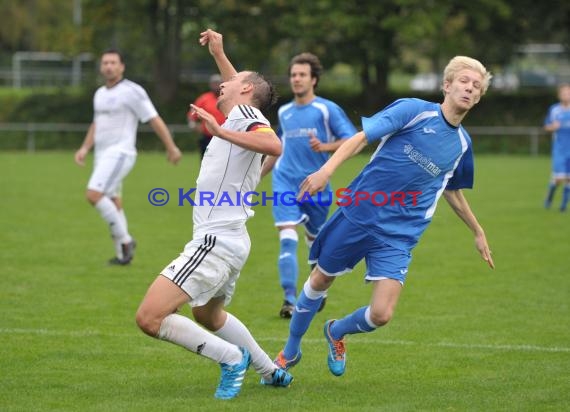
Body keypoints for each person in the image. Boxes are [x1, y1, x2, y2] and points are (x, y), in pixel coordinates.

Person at [273, 56, 495, 377]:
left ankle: (336, 331)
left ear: (478, 98)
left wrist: (477, 230)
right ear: (447, 85)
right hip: (360, 212)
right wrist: (326, 170)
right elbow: (361, 138)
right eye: (464, 81)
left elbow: (451, 189)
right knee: (320, 279)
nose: (469, 88)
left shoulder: (462, 144)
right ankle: (290, 350)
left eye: (476, 86)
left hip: (400, 233)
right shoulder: (413, 110)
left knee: (381, 314)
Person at [135, 29, 293, 400]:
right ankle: (269, 370)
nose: (223, 85)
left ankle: (229, 358)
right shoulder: (242, 114)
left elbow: (274, 144)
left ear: (247, 92)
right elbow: (238, 90)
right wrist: (220, 54)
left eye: (232, 82)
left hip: (215, 241)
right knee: (207, 316)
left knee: (149, 318)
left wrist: (219, 132)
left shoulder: (243, 118)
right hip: (232, 240)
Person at [261, 52, 357, 318]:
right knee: (287, 237)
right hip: (285, 183)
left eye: (302, 75)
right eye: (293, 75)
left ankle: (317, 290)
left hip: (316, 186)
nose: (297, 79)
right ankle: (290, 299)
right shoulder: (285, 111)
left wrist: (325, 146)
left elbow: (353, 140)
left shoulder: (326, 109)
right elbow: (277, 148)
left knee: (316, 244)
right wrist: (256, 177)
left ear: (313, 80)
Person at [74, 49, 182, 265]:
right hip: (102, 155)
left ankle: (126, 241)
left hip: (120, 152)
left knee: (93, 194)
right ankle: (123, 255)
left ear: (122, 66)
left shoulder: (132, 91)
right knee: (114, 201)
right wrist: (85, 148)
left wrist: (171, 147)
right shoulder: (99, 94)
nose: (108, 66)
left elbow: (153, 118)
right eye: (105, 62)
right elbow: (97, 124)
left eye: (113, 62)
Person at [543, 83, 570, 212]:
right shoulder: (554, 110)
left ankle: (563, 206)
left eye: (568, 92)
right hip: (559, 149)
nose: (566, 95)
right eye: (563, 92)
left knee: (569, 179)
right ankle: (550, 196)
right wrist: (553, 127)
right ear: (559, 95)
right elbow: (546, 126)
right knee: (559, 178)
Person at [187, 74, 226, 159]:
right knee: (207, 162)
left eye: (218, 83)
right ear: (210, 85)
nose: (216, 86)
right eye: (214, 83)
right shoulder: (204, 99)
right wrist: (194, 126)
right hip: (208, 138)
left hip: (226, 137)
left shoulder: (227, 98)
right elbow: (192, 116)